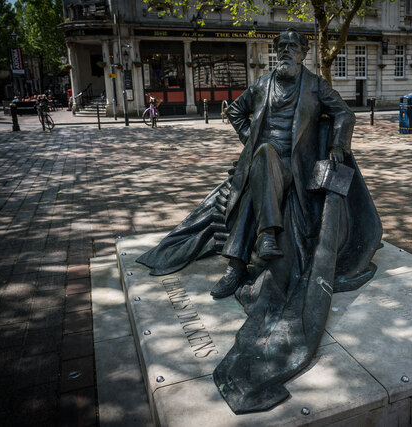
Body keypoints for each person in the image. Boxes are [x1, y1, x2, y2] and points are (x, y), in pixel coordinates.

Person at [136, 28, 382, 414]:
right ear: (276, 52)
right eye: (280, 47)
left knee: (263, 170)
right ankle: (260, 243)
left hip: (297, 172)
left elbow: (345, 114)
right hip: (263, 162)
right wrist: (250, 137)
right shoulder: (262, 84)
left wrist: (336, 143)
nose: (286, 52)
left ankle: (238, 264)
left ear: (303, 52)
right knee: (263, 156)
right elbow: (235, 111)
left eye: (292, 47)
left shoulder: (316, 86)